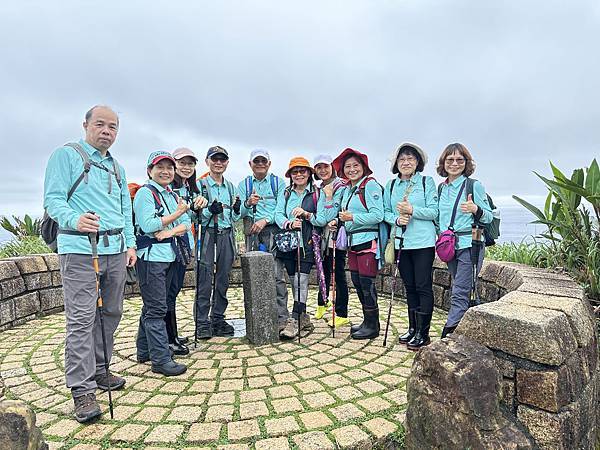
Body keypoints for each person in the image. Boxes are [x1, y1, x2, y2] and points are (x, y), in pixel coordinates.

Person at [43, 105, 137, 423]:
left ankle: (100, 368)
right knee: (82, 320)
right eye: (100, 124)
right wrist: (75, 219)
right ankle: (82, 390)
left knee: (111, 312)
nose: (107, 131)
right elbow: (53, 199)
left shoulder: (118, 168)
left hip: (114, 249)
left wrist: (131, 244)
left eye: (113, 127)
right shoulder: (65, 155)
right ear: (85, 125)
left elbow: (125, 209)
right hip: (79, 249)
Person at [133, 151, 191, 377]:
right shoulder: (144, 194)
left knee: (157, 304)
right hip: (151, 258)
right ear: (150, 171)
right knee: (156, 308)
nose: (165, 171)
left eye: (169, 167)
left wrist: (168, 231)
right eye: (160, 167)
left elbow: (186, 223)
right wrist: (176, 214)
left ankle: (144, 350)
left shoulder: (171, 193)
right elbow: (148, 225)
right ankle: (161, 359)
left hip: (170, 255)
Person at [383, 143, 438, 350]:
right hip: (400, 243)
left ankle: (423, 333)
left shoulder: (426, 182)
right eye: (402, 159)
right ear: (396, 163)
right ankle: (413, 328)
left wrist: (412, 209)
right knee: (410, 287)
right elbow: (385, 213)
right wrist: (397, 220)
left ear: (418, 162)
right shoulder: (390, 185)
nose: (406, 162)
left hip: (423, 242)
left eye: (410, 159)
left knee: (423, 286)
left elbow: (434, 212)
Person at [436, 143, 492, 337]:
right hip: (449, 246)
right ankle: (467, 327)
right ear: (443, 163)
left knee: (460, 289)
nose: (454, 163)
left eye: (460, 160)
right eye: (450, 160)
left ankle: (449, 331)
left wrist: (475, 209)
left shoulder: (473, 185)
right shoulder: (441, 189)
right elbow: (438, 218)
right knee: (460, 285)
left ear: (466, 163)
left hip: (470, 244)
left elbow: (489, 217)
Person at [331, 148, 384, 340]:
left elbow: (378, 215)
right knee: (357, 281)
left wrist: (353, 216)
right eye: (348, 166)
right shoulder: (348, 189)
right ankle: (367, 321)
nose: (352, 169)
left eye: (356, 165)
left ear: (364, 167)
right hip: (353, 243)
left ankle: (373, 325)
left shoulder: (370, 186)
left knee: (366, 282)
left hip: (367, 241)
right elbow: (345, 215)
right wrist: (338, 221)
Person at [274, 157, 325, 339]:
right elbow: (277, 214)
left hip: (308, 244)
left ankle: (294, 320)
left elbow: (322, 218)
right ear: (290, 175)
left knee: (301, 282)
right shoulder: (286, 193)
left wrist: (306, 215)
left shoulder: (317, 194)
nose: (299, 175)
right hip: (288, 245)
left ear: (309, 173)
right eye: (295, 172)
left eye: (303, 171)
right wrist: (288, 223)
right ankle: (303, 317)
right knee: (293, 280)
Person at [237, 149, 288, 330]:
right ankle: (257, 315)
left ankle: (282, 317)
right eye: (256, 161)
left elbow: (282, 209)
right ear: (250, 164)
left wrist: (265, 219)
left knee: (277, 276)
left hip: (273, 231)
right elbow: (237, 213)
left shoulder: (278, 183)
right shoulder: (243, 185)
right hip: (251, 232)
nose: (260, 164)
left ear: (269, 163)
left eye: (263, 161)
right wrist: (247, 204)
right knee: (252, 275)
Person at [195, 146, 241, 339]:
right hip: (208, 235)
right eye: (215, 159)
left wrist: (238, 209)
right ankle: (202, 322)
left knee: (223, 279)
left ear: (227, 163)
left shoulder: (230, 187)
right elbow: (194, 215)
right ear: (207, 161)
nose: (219, 163)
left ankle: (218, 318)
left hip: (227, 235)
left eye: (222, 159)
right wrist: (208, 211)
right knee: (205, 279)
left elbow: (235, 214)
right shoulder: (200, 186)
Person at [166, 147, 208, 355]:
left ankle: (171, 334)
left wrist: (200, 206)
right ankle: (167, 338)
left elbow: (190, 217)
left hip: (184, 244)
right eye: (182, 163)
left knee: (173, 291)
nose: (186, 167)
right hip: (168, 244)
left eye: (190, 164)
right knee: (166, 293)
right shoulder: (167, 188)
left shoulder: (191, 188)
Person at [312, 154, 350, 328]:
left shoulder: (341, 186)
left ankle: (341, 312)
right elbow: (321, 219)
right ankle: (323, 302)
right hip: (322, 236)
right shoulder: (319, 188)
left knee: (339, 273)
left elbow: (331, 214)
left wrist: (328, 199)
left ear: (333, 167)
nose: (322, 170)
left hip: (336, 235)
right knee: (323, 270)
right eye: (318, 167)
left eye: (325, 166)